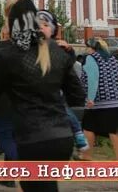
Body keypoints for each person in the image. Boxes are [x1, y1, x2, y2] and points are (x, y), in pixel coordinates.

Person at [0, 0, 85, 192]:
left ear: (12, 23)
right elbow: (78, 97)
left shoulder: (6, 54)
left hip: (32, 141)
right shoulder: (56, 50)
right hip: (62, 139)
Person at [36, 10, 89, 155]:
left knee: (64, 111)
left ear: (53, 29)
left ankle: (77, 133)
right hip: (35, 101)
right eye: (38, 24)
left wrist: (69, 50)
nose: (41, 27)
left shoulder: (58, 47)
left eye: (45, 24)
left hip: (54, 93)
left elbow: (69, 70)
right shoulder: (30, 47)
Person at [80, 37, 118, 161]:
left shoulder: (91, 59)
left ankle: (86, 156)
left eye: (87, 47)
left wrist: (90, 98)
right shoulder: (112, 59)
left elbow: (93, 79)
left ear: (93, 48)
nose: (86, 49)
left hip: (100, 101)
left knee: (88, 126)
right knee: (115, 130)